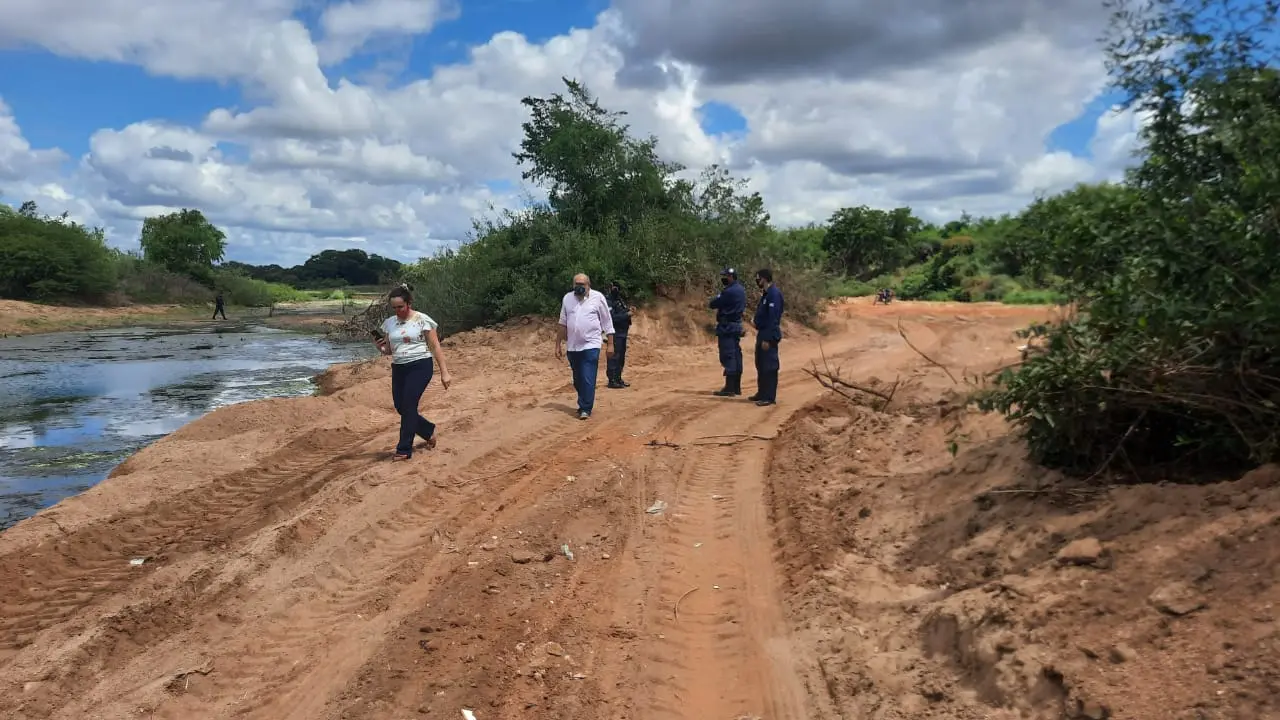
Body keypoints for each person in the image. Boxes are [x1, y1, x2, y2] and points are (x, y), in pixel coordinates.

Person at [373, 285, 452, 461]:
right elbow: (389, 350)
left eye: (400, 306)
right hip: (399, 367)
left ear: (409, 303)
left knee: (409, 405)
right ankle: (427, 430)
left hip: (420, 366)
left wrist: (444, 372)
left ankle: (403, 449)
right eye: (394, 307)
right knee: (401, 407)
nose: (397, 311)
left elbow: (435, 347)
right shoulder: (389, 323)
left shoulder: (422, 320)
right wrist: (381, 347)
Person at [556, 273, 615, 420]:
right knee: (578, 379)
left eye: (582, 284)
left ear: (588, 285)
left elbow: (607, 322)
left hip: (591, 344)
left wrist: (611, 344)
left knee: (588, 377)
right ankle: (584, 400)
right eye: (577, 284)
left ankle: (585, 408)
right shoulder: (567, 298)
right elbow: (562, 322)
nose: (579, 287)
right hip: (573, 347)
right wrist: (557, 344)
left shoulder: (598, 298)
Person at [709, 266, 746, 396]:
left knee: (728, 354)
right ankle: (736, 387)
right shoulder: (741, 290)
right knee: (736, 354)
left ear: (731, 277)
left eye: (725, 276)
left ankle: (730, 388)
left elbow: (713, 303)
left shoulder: (729, 291)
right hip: (736, 325)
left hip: (727, 327)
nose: (723, 279)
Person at [750, 268, 784, 406]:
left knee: (769, 365)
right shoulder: (766, 294)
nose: (757, 280)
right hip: (762, 332)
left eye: (758, 278)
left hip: (768, 334)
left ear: (764, 278)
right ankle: (762, 393)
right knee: (760, 364)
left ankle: (769, 397)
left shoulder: (774, 294)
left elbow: (773, 318)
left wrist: (768, 339)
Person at [605, 281, 632, 389]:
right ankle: (612, 380)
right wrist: (627, 314)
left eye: (617, 288)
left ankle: (618, 378)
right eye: (614, 287)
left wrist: (628, 310)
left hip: (623, 332)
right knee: (614, 357)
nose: (615, 289)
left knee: (621, 357)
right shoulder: (608, 301)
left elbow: (621, 311)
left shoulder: (619, 299)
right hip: (615, 333)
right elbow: (612, 318)